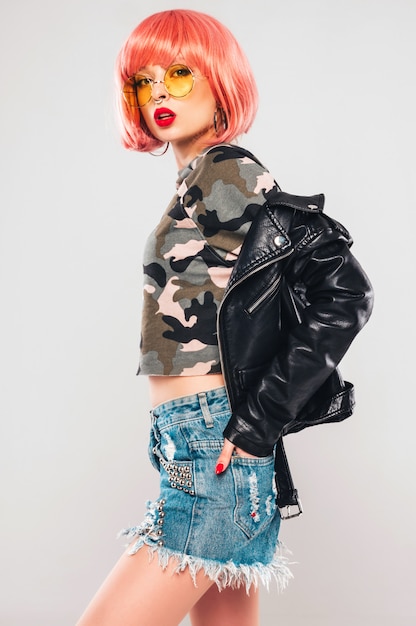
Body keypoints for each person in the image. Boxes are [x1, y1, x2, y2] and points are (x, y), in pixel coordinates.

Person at [77, 9, 373, 626]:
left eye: (181, 74)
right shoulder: (196, 178)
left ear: (220, 81)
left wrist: (258, 420)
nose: (160, 91)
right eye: (145, 79)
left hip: (214, 439)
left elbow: (344, 291)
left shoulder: (225, 171)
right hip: (196, 437)